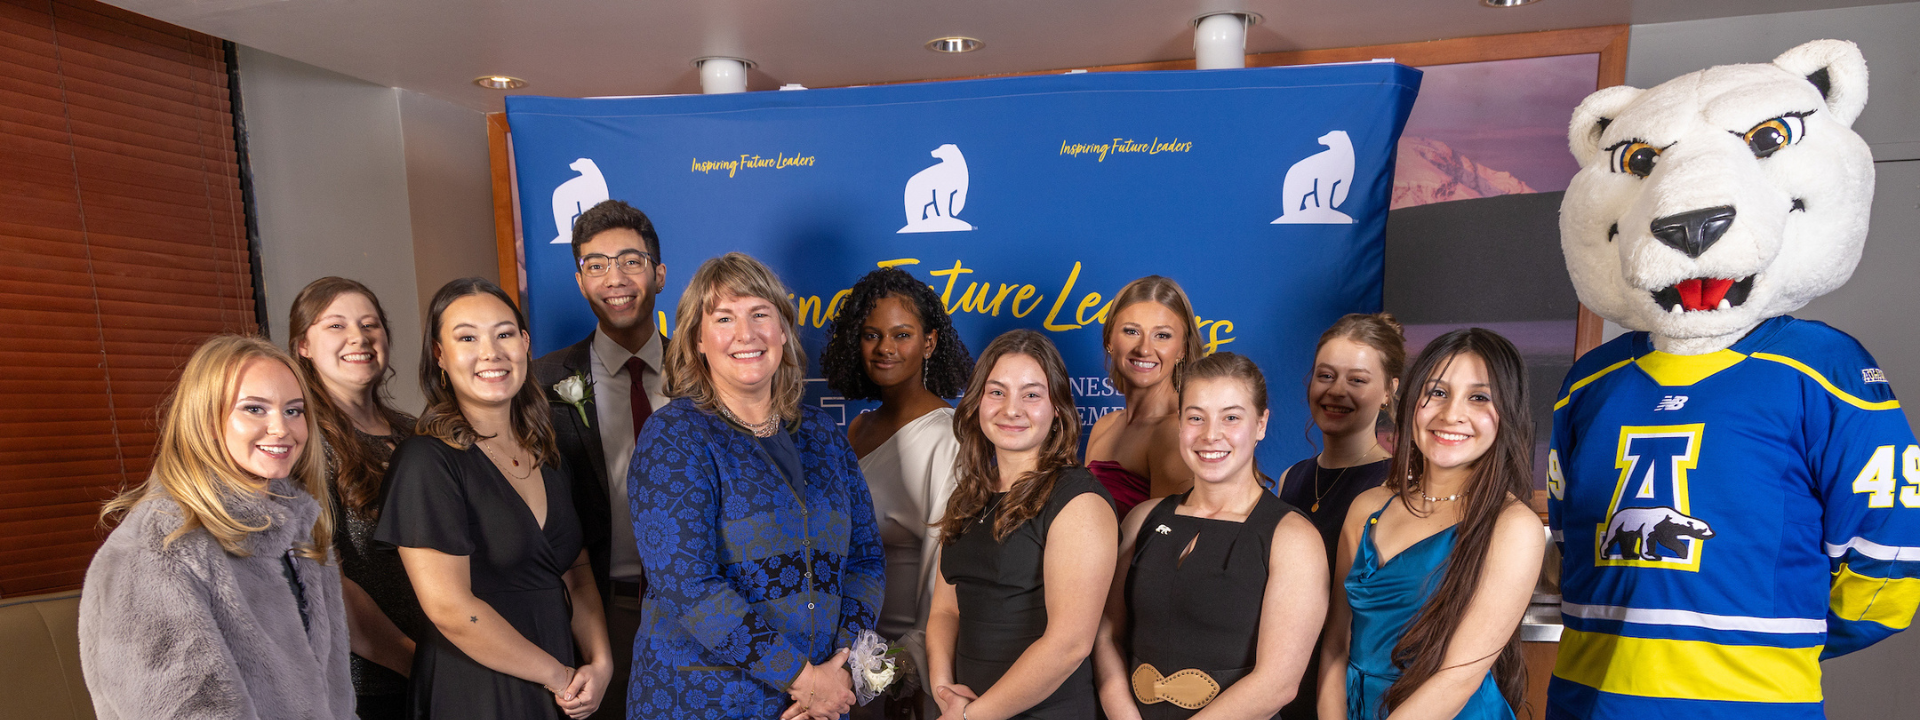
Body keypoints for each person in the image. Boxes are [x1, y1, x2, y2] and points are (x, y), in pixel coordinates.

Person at [627, 252, 885, 720]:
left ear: (782, 331)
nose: (746, 334)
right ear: (697, 339)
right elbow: (688, 584)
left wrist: (840, 673)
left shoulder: (823, 435)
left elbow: (865, 560)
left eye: (760, 314)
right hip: (704, 703)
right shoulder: (674, 435)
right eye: (724, 318)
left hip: (820, 705)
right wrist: (804, 681)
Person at [79, 334, 353, 718]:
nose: (281, 428)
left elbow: (335, 699)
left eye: (293, 410)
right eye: (254, 409)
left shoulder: (301, 531)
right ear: (206, 419)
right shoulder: (159, 546)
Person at [376, 278, 612, 719]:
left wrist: (599, 663)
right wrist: (558, 676)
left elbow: (576, 572)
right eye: (467, 338)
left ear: (525, 344)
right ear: (439, 355)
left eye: (504, 334)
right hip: (475, 691)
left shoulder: (549, 456)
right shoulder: (426, 461)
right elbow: (449, 608)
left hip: (562, 686)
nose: (491, 352)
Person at [1317, 329, 1543, 720]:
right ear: (1410, 403)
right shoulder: (1367, 507)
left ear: (1508, 412)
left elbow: (1457, 678)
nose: (1451, 414)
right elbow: (1336, 644)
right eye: (1437, 392)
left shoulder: (1513, 526)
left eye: (1479, 397)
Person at [1094, 352, 1327, 720]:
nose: (1210, 435)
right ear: (1179, 423)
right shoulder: (1141, 520)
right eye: (1196, 417)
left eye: (1231, 417)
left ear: (1261, 424)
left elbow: (1278, 683)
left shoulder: (1293, 539)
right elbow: (1106, 634)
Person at [927, 329, 1118, 720]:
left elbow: (1069, 645)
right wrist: (943, 690)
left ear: (1057, 408)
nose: (1011, 409)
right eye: (997, 392)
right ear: (977, 402)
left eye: (1031, 395)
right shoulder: (969, 495)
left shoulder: (1080, 501)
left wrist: (972, 716)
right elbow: (945, 612)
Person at [530, 200, 670, 719]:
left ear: (658, 274)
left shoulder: (706, 374)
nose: (615, 278)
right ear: (580, 281)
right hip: (597, 614)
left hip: (702, 611)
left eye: (631, 261)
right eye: (596, 265)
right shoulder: (540, 384)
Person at [822, 266, 975, 718]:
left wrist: (906, 668)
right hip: (841, 652)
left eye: (901, 335)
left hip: (898, 664)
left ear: (929, 342)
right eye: (871, 335)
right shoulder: (858, 427)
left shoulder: (948, 437)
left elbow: (942, 572)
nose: (885, 348)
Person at [290, 276, 426, 719]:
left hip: (446, 663)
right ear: (303, 346)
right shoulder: (304, 444)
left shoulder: (414, 432)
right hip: (371, 686)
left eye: (370, 324)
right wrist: (416, 663)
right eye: (336, 325)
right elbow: (328, 582)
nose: (359, 337)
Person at [1273, 314, 1405, 720]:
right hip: (1284, 685)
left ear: (1389, 391)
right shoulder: (1291, 478)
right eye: (1326, 376)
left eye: (1357, 380)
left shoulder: (1399, 487)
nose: (1336, 391)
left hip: (1352, 695)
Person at [1085, 276, 1204, 518]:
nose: (1144, 349)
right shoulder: (1103, 426)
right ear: (1109, 340)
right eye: (1131, 331)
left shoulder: (1177, 433)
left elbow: (1166, 537)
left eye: (1162, 335)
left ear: (1182, 349)